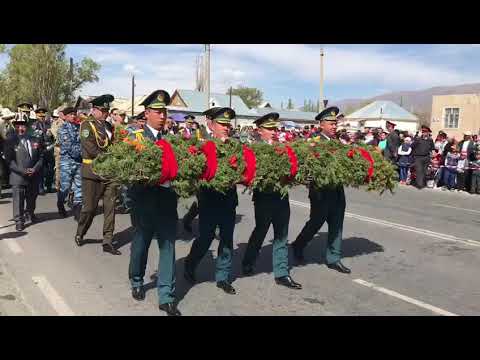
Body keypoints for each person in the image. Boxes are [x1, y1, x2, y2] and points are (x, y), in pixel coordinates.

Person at [126, 90, 181, 316]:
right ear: (147, 113)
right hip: (144, 201)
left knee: (168, 247)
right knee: (141, 243)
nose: (162, 116)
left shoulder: (171, 141)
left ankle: (166, 296)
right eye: (158, 111)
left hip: (167, 202)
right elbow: (127, 170)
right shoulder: (135, 139)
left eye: (164, 112)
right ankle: (137, 279)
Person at [241, 113, 302, 289]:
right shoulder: (254, 149)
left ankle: (282, 273)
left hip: (281, 197)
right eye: (269, 128)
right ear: (260, 131)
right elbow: (249, 174)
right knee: (260, 231)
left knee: (282, 234)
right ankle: (248, 260)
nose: (274, 131)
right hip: (264, 198)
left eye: (275, 128)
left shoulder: (282, 148)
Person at [184, 107, 240, 295]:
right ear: (211, 125)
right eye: (222, 124)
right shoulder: (202, 144)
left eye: (228, 125)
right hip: (208, 199)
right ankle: (190, 264)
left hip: (229, 199)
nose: (226, 128)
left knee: (227, 238)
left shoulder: (234, 145)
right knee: (206, 237)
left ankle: (223, 276)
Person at [291, 106, 351, 274]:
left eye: (335, 123)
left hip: (337, 191)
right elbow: (305, 165)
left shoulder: (338, 143)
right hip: (320, 192)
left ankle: (334, 258)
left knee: (337, 225)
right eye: (330, 123)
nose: (334, 126)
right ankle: (299, 244)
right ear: (321, 124)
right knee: (316, 223)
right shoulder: (314, 142)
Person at [74, 94, 121, 255]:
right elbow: (90, 148)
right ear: (94, 110)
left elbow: (112, 144)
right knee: (89, 208)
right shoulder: (86, 125)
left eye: (107, 110)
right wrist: (110, 157)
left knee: (110, 207)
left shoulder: (108, 126)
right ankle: (81, 232)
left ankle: (107, 240)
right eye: (103, 110)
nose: (106, 113)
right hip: (93, 172)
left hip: (110, 173)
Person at [182, 107, 221, 233]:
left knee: (215, 201)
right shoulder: (198, 133)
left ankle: (216, 228)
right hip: (202, 174)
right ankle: (188, 219)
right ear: (208, 119)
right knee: (201, 202)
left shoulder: (220, 133)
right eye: (213, 119)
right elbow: (190, 150)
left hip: (217, 172)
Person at [3, 112, 44, 231]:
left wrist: (35, 169)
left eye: (23, 125)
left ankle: (29, 213)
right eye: (18, 125)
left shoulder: (35, 139)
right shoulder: (10, 141)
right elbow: (9, 161)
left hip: (33, 175)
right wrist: (22, 171)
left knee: (32, 198)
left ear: (28, 126)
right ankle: (19, 220)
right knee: (18, 199)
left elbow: (41, 157)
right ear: (15, 126)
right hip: (18, 176)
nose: (21, 128)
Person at [56, 107, 82, 219]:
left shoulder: (78, 127)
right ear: (65, 116)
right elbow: (69, 146)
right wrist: (82, 153)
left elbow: (83, 142)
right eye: (71, 114)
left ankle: (77, 209)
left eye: (74, 114)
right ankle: (60, 203)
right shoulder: (62, 129)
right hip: (67, 162)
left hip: (78, 162)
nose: (73, 116)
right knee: (65, 187)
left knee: (79, 187)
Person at [31, 108, 55, 194]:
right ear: (37, 116)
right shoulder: (34, 125)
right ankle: (40, 187)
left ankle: (48, 186)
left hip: (49, 148)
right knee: (40, 169)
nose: (42, 118)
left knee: (50, 169)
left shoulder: (49, 124)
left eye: (43, 116)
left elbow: (53, 136)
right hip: (40, 149)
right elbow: (34, 138)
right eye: (40, 116)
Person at [50, 109, 65, 191]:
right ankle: (58, 186)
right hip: (59, 148)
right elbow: (56, 136)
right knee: (59, 167)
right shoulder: (56, 123)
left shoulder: (69, 122)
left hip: (68, 149)